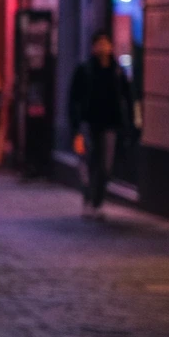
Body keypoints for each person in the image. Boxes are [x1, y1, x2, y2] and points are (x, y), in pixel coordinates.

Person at [67, 31, 133, 220]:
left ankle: (97, 201)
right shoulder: (85, 69)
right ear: (93, 47)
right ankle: (89, 202)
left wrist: (128, 123)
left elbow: (127, 97)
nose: (103, 47)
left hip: (110, 124)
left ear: (111, 47)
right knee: (89, 163)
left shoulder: (117, 71)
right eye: (99, 44)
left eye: (106, 43)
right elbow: (74, 99)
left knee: (105, 166)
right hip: (89, 123)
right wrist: (76, 126)